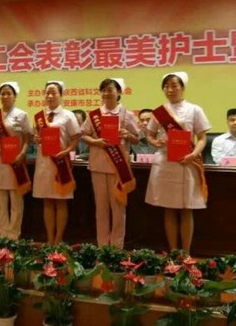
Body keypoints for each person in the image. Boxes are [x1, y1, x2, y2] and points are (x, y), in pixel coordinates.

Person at [145, 71, 211, 252]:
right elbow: (149, 135)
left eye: (174, 85)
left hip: (187, 163)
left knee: (186, 208)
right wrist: (155, 142)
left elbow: (202, 138)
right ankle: (173, 251)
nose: (170, 90)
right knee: (169, 208)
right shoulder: (159, 112)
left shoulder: (195, 109)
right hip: (165, 163)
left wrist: (194, 154)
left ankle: (186, 252)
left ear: (182, 87)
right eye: (166, 86)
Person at [81, 78, 139, 248]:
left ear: (119, 92)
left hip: (118, 168)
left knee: (118, 208)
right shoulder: (94, 115)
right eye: (103, 90)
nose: (106, 93)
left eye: (110, 90)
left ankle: (116, 246)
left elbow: (137, 139)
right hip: (98, 165)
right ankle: (103, 246)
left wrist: (127, 135)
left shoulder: (127, 114)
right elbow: (84, 134)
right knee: (101, 208)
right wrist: (96, 141)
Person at [32, 81, 80, 244]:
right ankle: (49, 238)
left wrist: (67, 151)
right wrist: (36, 138)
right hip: (43, 162)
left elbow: (75, 137)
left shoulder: (68, 115)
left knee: (60, 201)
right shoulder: (39, 116)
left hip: (60, 163)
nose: (50, 96)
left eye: (54, 92)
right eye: (47, 93)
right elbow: (37, 137)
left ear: (61, 95)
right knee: (47, 200)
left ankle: (58, 239)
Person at [0, 81, 32, 239]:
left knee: (16, 200)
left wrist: (22, 154)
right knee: (0, 201)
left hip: (16, 162)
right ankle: (2, 232)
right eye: (2, 93)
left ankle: (13, 235)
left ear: (15, 96)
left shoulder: (22, 115)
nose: (5, 96)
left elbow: (27, 138)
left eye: (8, 93)